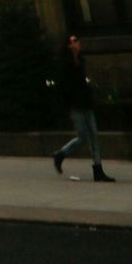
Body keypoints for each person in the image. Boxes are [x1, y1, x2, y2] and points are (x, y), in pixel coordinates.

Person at [52, 35, 116, 182]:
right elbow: (64, 87)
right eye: (75, 41)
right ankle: (61, 154)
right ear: (69, 46)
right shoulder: (65, 64)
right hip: (75, 104)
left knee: (93, 135)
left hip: (86, 102)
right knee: (83, 136)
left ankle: (98, 169)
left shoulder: (80, 61)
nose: (78, 43)